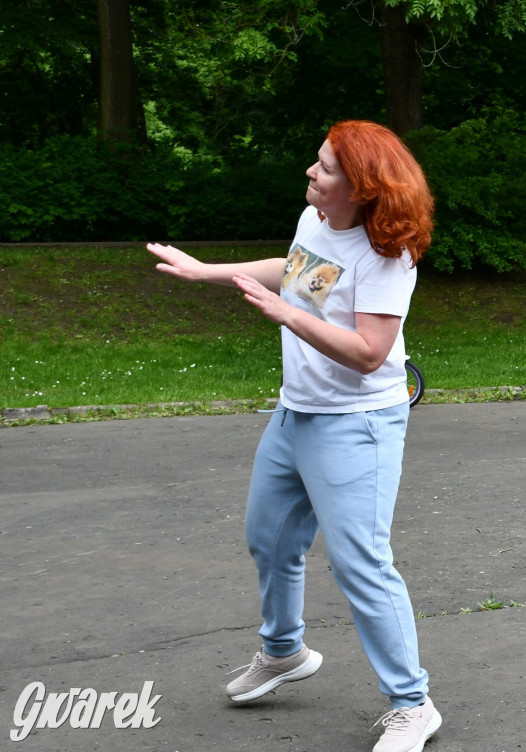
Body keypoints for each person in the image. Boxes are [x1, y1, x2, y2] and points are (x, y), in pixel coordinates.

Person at [147, 120, 443, 750]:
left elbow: (369, 352)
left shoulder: (386, 255)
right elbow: (301, 271)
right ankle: (283, 652)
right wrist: (207, 273)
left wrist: (286, 313)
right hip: (296, 412)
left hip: (357, 424)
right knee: (268, 538)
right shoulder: (318, 222)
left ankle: (413, 704)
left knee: (362, 564)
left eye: (327, 168)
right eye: (317, 161)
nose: (312, 173)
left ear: (362, 188)